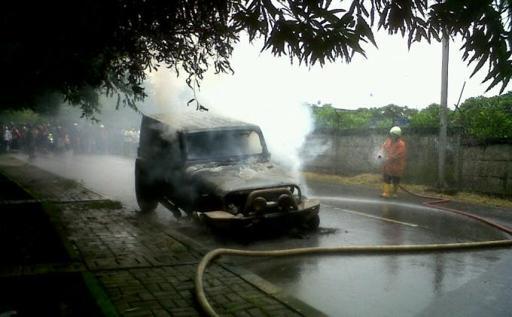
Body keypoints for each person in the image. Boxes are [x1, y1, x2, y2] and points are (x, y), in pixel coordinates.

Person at [379, 126, 407, 198]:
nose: (392, 136)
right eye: (391, 134)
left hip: (397, 166)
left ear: (398, 136)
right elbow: (383, 148)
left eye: (394, 135)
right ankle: (386, 193)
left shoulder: (401, 144)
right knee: (386, 178)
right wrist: (380, 155)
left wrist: (388, 158)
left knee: (396, 180)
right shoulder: (388, 141)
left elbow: (398, 155)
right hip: (388, 165)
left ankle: (394, 193)